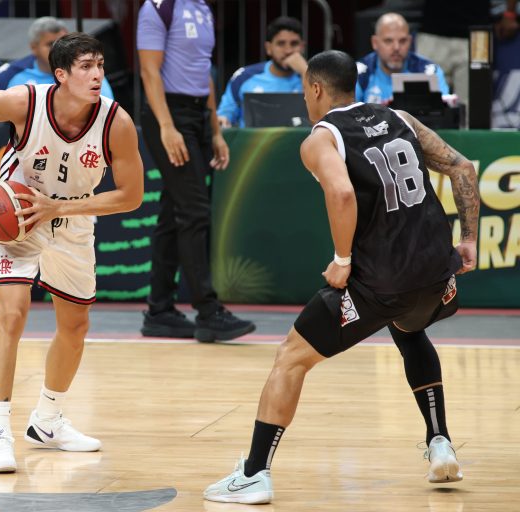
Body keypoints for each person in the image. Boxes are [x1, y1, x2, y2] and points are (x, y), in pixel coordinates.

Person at [204, 49, 479, 504]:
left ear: (314, 88)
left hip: (381, 281)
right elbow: (463, 167)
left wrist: (342, 259)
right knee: (409, 329)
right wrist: (468, 239)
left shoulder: (320, 138)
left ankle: (253, 474)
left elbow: (343, 193)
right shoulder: (401, 119)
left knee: (291, 358)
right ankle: (440, 443)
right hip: (437, 273)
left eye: (304, 91)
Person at [0, 32, 143, 473]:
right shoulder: (25, 102)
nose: (97, 74)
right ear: (61, 75)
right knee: (12, 315)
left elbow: (131, 195)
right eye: (86, 67)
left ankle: (47, 420)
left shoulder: (116, 122)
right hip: (20, 215)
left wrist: (60, 208)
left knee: (75, 326)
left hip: (73, 220)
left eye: (100, 65)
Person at [137, 0, 255, 342]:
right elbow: (149, 72)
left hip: (198, 114)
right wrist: (166, 126)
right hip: (169, 114)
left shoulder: (202, 8)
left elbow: (204, 71)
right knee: (194, 211)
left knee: (173, 212)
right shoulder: (157, 7)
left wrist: (215, 130)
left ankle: (159, 311)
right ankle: (208, 311)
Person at [0, 16, 114, 100]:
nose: (57, 49)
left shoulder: (87, 71)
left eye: (62, 43)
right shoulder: (8, 74)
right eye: (50, 44)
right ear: (34, 47)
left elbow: (107, 114)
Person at [417, 0, 518, 104]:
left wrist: (510, 14)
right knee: (424, 104)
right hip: (432, 31)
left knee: (474, 105)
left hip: (477, 35)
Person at [217, 16, 307, 128]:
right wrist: (222, 119)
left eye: (294, 44)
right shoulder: (244, 77)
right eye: (281, 43)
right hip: (251, 140)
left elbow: (319, 119)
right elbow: (224, 115)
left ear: (302, 47)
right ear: (268, 48)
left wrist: (305, 71)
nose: (288, 50)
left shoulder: (314, 77)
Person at [356, 12, 449, 105]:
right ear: (375, 42)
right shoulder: (359, 73)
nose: (396, 48)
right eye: (388, 41)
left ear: (410, 42)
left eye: (403, 41)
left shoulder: (430, 72)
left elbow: (442, 111)